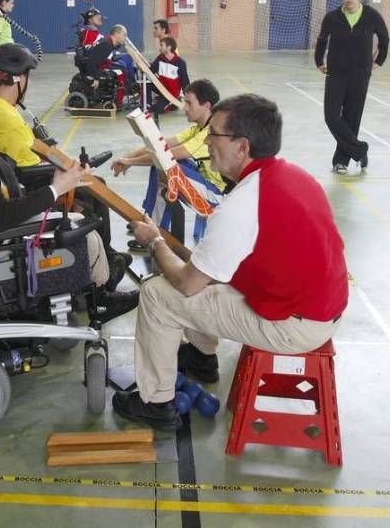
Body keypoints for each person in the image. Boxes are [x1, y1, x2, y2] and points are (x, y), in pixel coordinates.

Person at [111, 94, 349, 431]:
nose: (206, 140)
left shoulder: (242, 204)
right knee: (207, 273)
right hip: (320, 308)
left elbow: (187, 283)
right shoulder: (293, 175)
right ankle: (201, 357)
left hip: (295, 326)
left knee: (157, 292)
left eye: (215, 134)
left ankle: (156, 402)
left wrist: (156, 242)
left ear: (242, 147)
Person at [0, 72, 138, 316]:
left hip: (2, 227)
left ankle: (99, 283)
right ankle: (100, 300)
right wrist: (56, 189)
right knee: (87, 232)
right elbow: (2, 215)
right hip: (5, 239)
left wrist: (59, 182)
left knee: (80, 216)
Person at [110, 79, 225, 249]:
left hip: (217, 195)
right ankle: (150, 221)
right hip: (206, 182)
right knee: (160, 167)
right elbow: (161, 143)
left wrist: (130, 162)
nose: (184, 107)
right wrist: (129, 156)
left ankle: (155, 233)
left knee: (165, 166)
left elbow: (165, 155)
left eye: (189, 103)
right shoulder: (199, 128)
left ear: (206, 106)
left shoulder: (210, 132)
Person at [314, 0, 389, 174]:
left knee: (351, 118)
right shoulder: (332, 17)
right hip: (336, 73)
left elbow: (384, 38)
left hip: (360, 74)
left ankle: (341, 161)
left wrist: (378, 61)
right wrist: (319, 61)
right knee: (331, 116)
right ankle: (360, 150)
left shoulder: (371, 16)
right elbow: (322, 39)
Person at [85, 24, 130, 105]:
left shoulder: (109, 42)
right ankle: (118, 101)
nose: (125, 38)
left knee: (122, 67)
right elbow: (92, 61)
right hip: (95, 69)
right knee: (121, 72)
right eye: (124, 35)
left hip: (100, 65)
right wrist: (96, 78)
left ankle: (123, 93)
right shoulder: (106, 45)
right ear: (116, 34)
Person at [147, 36, 189, 115]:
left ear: (169, 47)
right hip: (161, 89)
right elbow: (150, 71)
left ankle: (173, 103)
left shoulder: (180, 63)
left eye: (161, 45)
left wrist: (188, 102)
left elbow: (185, 82)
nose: (160, 48)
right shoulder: (160, 58)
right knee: (146, 80)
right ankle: (147, 104)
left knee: (157, 110)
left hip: (171, 94)